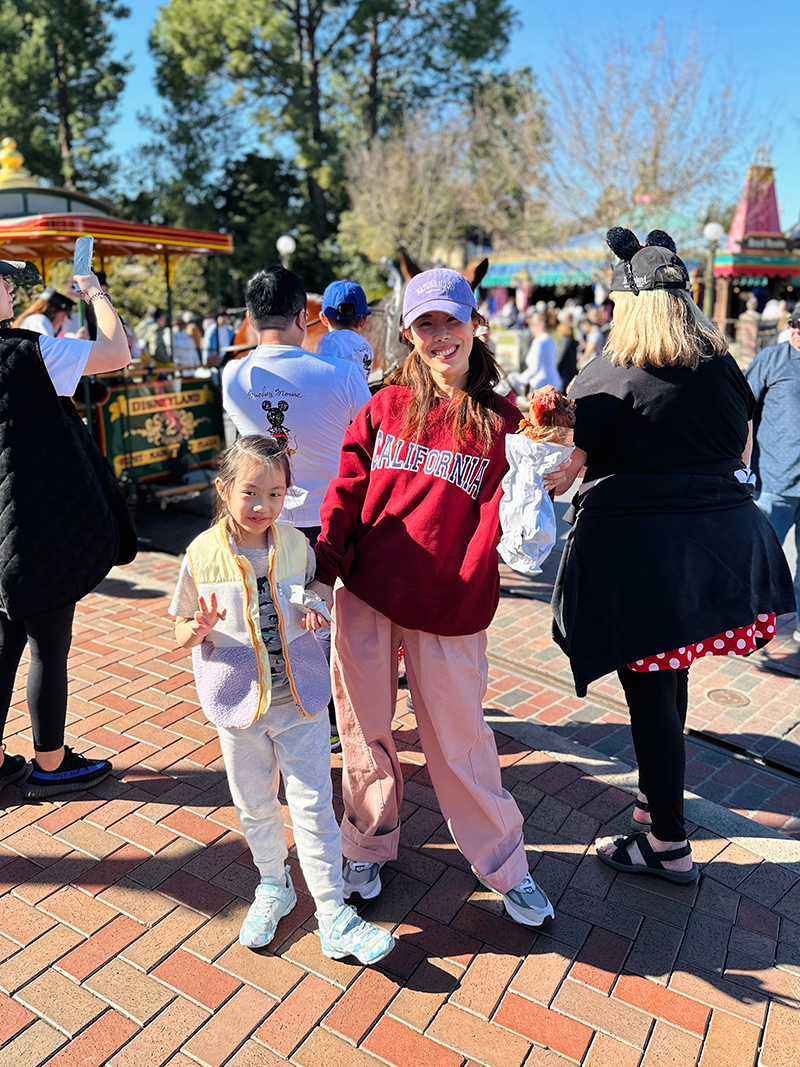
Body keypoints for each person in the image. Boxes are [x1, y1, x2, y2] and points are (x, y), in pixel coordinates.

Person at [546, 228, 794, 885]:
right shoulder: (721, 365)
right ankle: (657, 801)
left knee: (651, 694)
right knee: (670, 677)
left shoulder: (608, 371)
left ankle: (667, 842)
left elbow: (562, 470)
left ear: (628, 303)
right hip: (722, 550)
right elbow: (742, 451)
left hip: (643, 561)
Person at [314, 267, 555, 927]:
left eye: (452, 320)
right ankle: (366, 845)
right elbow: (346, 494)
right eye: (427, 324)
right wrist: (322, 570)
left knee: (461, 740)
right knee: (364, 732)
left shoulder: (508, 423)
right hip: (368, 593)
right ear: (408, 333)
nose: (441, 335)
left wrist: (554, 472)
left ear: (476, 323)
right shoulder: (383, 406)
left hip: (452, 604)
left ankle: (505, 864)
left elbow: (524, 512)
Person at [169, 434, 394, 964]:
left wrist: (316, 606)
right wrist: (197, 628)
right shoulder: (201, 554)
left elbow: (315, 593)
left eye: (275, 494)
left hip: (301, 700)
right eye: (250, 492)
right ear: (224, 490)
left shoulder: (297, 545)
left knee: (314, 806)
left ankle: (333, 912)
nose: (262, 506)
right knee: (254, 804)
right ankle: (274, 883)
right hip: (237, 706)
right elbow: (179, 630)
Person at [0, 259, 136, 799]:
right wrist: (95, 292)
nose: (10, 287)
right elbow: (116, 352)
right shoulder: (28, 352)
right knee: (47, 645)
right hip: (37, 526)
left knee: (3, 641)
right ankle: (51, 765)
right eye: (1, 280)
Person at [223, 266, 370, 751]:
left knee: (278, 618)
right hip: (331, 519)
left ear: (250, 318)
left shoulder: (232, 375)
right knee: (329, 623)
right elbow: (370, 443)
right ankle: (330, 716)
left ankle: (288, 711)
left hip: (265, 519)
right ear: (302, 316)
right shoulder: (342, 375)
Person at [745, 309, 800, 640]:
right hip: (774, 480)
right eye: (794, 325)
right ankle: (751, 620)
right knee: (763, 559)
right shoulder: (772, 359)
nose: (796, 332)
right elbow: (742, 409)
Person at [316, 279, 374, 381]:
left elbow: (321, 378)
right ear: (364, 320)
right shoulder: (366, 346)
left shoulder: (330, 342)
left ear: (324, 319)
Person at [510, 311, 561, 395]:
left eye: (532, 324)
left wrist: (519, 381)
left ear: (541, 324)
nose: (531, 327)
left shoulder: (540, 341)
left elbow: (535, 367)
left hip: (543, 385)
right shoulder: (549, 339)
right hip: (551, 383)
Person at [555, 317, 579, 386]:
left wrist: (554, 367)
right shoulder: (572, 340)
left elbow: (560, 355)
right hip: (571, 369)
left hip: (564, 371)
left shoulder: (565, 341)